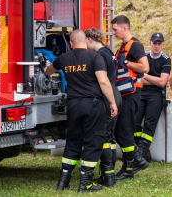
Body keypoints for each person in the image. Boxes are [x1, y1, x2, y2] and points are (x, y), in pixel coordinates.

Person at [43, 30, 118, 193]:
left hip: (73, 105)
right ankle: (86, 183)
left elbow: (48, 70)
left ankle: (63, 182)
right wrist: (112, 102)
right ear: (86, 41)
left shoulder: (64, 58)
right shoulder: (95, 57)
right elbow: (104, 82)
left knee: (73, 141)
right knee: (93, 141)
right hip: (93, 104)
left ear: (71, 43)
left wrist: (44, 71)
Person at [111, 15, 150, 180]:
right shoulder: (123, 46)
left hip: (131, 93)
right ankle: (130, 166)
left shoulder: (135, 45)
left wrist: (126, 63)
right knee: (121, 131)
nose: (113, 32)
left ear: (124, 28)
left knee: (124, 130)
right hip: (123, 94)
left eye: (115, 29)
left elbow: (145, 67)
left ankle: (136, 162)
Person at [85, 28, 122, 187]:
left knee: (104, 137)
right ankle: (109, 174)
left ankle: (108, 177)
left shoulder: (99, 55)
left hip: (107, 95)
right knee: (110, 137)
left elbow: (101, 79)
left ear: (88, 39)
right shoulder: (109, 52)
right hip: (115, 92)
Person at [134, 33, 171, 162]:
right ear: (150, 43)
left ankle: (143, 149)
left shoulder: (166, 59)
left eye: (159, 44)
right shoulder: (143, 57)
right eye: (154, 43)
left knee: (150, 123)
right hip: (140, 92)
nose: (156, 46)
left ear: (163, 45)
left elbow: (162, 82)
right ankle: (139, 151)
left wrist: (145, 75)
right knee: (135, 121)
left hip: (156, 94)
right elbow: (136, 78)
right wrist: (154, 79)